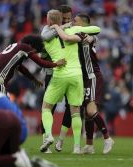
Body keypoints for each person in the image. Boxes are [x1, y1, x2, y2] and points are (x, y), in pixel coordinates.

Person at [40, 10, 101, 154]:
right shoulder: (74, 29)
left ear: (48, 21)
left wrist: (56, 27)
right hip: (76, 75)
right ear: (61, 20)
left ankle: (48, 135)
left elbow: (44, 38)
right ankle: (77, 147)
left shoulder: (46, 38)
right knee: (75, 112)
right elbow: (96, 29)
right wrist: (90, 37)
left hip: (59, 75)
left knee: (46, 108)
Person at [40, 4, 73, 154]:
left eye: (68, 18)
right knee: (48, 107)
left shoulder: (70, 28)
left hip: (68, 72)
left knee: (72, 106)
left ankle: (60, 140)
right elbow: (44, 37)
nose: (66, 20)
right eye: (63, 18)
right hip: (51, 73)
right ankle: (46, 139)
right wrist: (64, 27)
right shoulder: (48, 29)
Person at [0, 34, 66, 94]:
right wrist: (56, 64)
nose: (34, 53)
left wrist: (33, 79)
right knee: (4, 106)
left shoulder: (15, 47)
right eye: (35, 51)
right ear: (31, 45)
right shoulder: (25, 47)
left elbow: (21, 68)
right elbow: (41, 63)